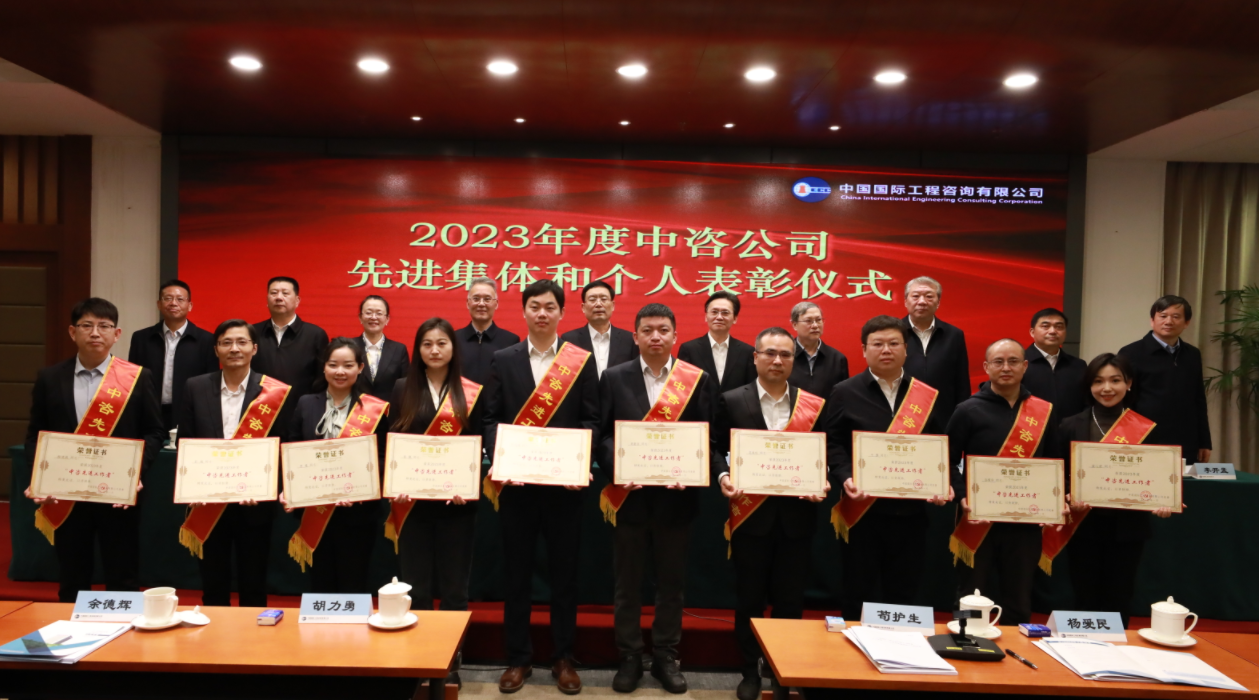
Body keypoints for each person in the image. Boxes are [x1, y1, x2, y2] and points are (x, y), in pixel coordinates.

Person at [596, 303, 722, 694]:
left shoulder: (695, 379)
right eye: (647, 330)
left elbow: (707, 437)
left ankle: (666, 654)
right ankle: (630, 655)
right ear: (634, 336)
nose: (655, 337)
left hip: (676, 501)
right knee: (627, 584)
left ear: (674, 336)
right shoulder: (614, 377)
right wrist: (619, 466)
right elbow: (602, 435)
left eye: (663, 330)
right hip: (630, 499)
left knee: (671, 584)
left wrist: (694, 472)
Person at [483, 279, 599, 695]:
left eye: (550, 307)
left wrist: (579, 462)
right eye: (535, 306)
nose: (542, 313)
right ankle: (518, 658)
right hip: (517, 487)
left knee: (564, 576)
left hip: (565, 490)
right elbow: (491, 419)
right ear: (524, 311)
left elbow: (591, 419)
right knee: (517, 575)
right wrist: (502, 460)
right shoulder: (503, 358)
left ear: (562, 312)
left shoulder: (579, 360)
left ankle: (563, 657)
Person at [24, 298, 165, 602]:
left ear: (117, 334)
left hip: (117, 494)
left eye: (104, 326)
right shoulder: (50, 378)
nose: (95, 333)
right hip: (67, 492)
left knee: (123, 573)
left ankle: (124, 629)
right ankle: (71, 627)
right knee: (72, 574)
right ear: (72, 332)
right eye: (86, 325)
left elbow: (155, 432)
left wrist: (135, 473)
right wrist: (39, 477)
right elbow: (36, 434)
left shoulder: (137, 377)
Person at [716, 327, 829, 700]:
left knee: (789, 601)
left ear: (794, 360)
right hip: (751, 518)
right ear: (755, 357)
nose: (777, 360)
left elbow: (823, 453)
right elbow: (714, 447)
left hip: (797, 519)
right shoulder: (732, 400)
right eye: (769, 353)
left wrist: (823, 478)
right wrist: (723, 474)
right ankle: (750, 671)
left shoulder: (811, 404)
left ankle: (782, 671)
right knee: (748, 599)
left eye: (785, 354)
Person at [826, 315, 951, 620]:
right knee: (859, 590)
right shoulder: (844, 391)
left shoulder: (925, 395)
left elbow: (938, 444)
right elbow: (833, 443)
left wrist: (941, 481)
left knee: (904, 591)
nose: (886, 350)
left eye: (894, 343)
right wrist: (845, 477)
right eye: (878, 344)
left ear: (906, 349)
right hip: (863, 511)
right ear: (864, 349)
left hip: (911, 513)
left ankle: (900, 648)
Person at [386, 317, 484, 689]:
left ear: (453, 348)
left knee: (455, 587)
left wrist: (467, 484)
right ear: (418, 349)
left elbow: (478, 444)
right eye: (427, 343)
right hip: (413, 505)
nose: (435, 350)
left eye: (442, 343)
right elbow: (392, 440)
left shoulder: (470, 390)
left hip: (456, 505)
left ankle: (450, 657)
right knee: (417, 585)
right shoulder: (402, 388)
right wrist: (396, 482)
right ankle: (420, 655)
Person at [175, 319, 292, 607]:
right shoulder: (195, 386)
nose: (234, 349)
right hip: (208, 500)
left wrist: (267, 488)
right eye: (226, 343)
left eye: (242, 342)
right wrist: (192, 486)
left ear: (254, 348)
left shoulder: (274, 391)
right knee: (213, 580)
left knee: (253, 580)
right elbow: (186, 442)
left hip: (254, 502)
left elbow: (283, 447)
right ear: (216, 349)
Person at [1056, 353, 1170, 628]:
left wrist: (1164, 500)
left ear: (1128, 383)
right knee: (1084, 594)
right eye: (1098, 381)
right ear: (1089, 386)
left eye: (1115, 380)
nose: (1107, 388)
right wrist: (1068, 495)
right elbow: (1059, 475)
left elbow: (1158, 476)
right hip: (1084, 524)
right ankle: (1082, 648)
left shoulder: (1147, 428)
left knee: (1120, 595)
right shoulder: (1070, 425)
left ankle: (1118, 650)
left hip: (1128, 527)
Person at [947, 339, 1055, 626]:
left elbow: (1055, 463)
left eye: (1013, 361)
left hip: (1025, 520)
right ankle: (965, 638)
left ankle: (1018, 647)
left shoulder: (1043, 411)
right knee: (970, 593)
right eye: (998, 362)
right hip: (977, 516)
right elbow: (946, 460)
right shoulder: (967, 410)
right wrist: (962, 495)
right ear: (986, 367)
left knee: (1018, 595)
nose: (1006, 367)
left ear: (1025, 366)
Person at [284, 337, 389, 594]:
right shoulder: (306, 403)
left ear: (360, 368)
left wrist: (360, 488)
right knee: (321, 581)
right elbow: (292, 449)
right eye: (333, 365)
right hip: (314, 507)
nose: (340, 371)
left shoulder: (373, 408)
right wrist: (290, 488)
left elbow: (382, 456)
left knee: (354, 580)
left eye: (348, 365)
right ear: (324, 367)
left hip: (358, 512)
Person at [1118, 295, 1212, 465]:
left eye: (1176, 316)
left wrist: (1204, 441)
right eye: (1163, 316)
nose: (1169, 321)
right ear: (1152, 320)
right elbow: (1124, 401)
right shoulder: (1131, 353)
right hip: (1146, 438)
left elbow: (1198, 399)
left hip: (1186, 439)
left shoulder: (1192, 354)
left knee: (1184, 482)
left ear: (1186, 322)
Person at [127, 279, 218, 430]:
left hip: (190, 413)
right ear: (159, 304)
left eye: (180, 299)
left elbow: (211, 382)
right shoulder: (141, 338)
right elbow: (133, 379)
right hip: (149, 413)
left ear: (190, 305)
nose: (173, 303)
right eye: (168, 298)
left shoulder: (207, 340)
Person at [902, 276, 971, 425]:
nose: (922, 301)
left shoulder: (954, 335)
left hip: (944, 417)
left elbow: (961, 382)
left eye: (929, 296)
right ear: (906, 301)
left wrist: (962, 418)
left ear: (938, 302)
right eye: (915, 296)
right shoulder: (893, 333)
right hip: (903, 417)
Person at [253, 276, 330, 401]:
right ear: (267, 299)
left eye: (285, 293)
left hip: (301, 407)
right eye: (274, 293)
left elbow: (322, 378)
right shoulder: (252, 332)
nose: (279, 297)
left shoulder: (315, 334)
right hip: (259, 407)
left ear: (297, 300)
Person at [678, 291, 757, 392]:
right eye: (714, 312)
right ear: (706, 316)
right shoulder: (689, 349)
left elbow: (750, 389)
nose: (719, 317)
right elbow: (682, 387)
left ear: (735, 318)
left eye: (725, 313)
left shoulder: (747, 352)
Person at [1022, 308, 1087, 428]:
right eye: (1045, 326)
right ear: (1032, 332)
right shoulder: (1019, 363)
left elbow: (1086, 403)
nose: (1052, 331)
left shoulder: (1078, 365)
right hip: (1029, 432)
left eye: (1059, 327)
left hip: (1070, 432)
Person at [560, 280, 638, 377]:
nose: (598, 304)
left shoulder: (629, 340)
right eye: (592, 300)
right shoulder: (569, 339)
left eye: (603, 299)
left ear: (613, 305)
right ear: (583, 307)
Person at [456, 277, 521, 386]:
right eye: (476, 299)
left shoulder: (511, 341)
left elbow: (512, 381)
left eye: (487, 299)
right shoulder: (453, 339)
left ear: (496, 304)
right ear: (468, 303)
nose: (481, 304)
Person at [352, 295, 410, 401]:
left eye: (379, 313)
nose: (373, 317)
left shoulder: (399, 350)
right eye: (368, 312)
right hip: (354, 408)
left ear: (387, 319)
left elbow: (405, 386)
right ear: (360, 317)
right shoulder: (349, 347)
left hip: (389, 409)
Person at [788, 301, 848, 398]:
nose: (815, 325)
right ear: (794, 324)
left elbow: (843, 396)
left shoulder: (837, 359)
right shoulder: (785, 355)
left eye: (818, 320)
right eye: (808, 321)